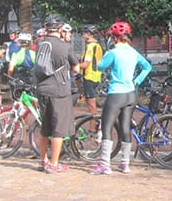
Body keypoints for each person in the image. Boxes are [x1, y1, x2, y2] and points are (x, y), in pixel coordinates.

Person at [91, 21, 152, 175]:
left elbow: (100, 66)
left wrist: (107, 52)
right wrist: (137, 81)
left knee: (107, 127)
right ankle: (125, 164)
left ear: (114, 38)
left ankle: (105, 165)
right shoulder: (133, 52)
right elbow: (147, 67)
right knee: (125, 128)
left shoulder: (113, 52)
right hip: (130, 94)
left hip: (116, 94)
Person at [35, 15, 80, 174]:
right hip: (59, 91)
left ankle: (43, 161)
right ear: (61, 29)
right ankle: (54, 163)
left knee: (45, 127)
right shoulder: (65, 46)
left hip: (42, 90)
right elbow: (76, 68)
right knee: (58, 129)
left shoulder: (41, 45)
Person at [78, 25, 103, 118]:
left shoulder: (90, 47)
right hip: (96, 76)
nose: (82, 35)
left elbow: (85, 64)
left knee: (92, 107)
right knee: (91, 105)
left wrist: (72, 67)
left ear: (89, 33)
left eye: (83, 33)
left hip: (89, 77)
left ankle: (94, 126)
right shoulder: (98, 45)